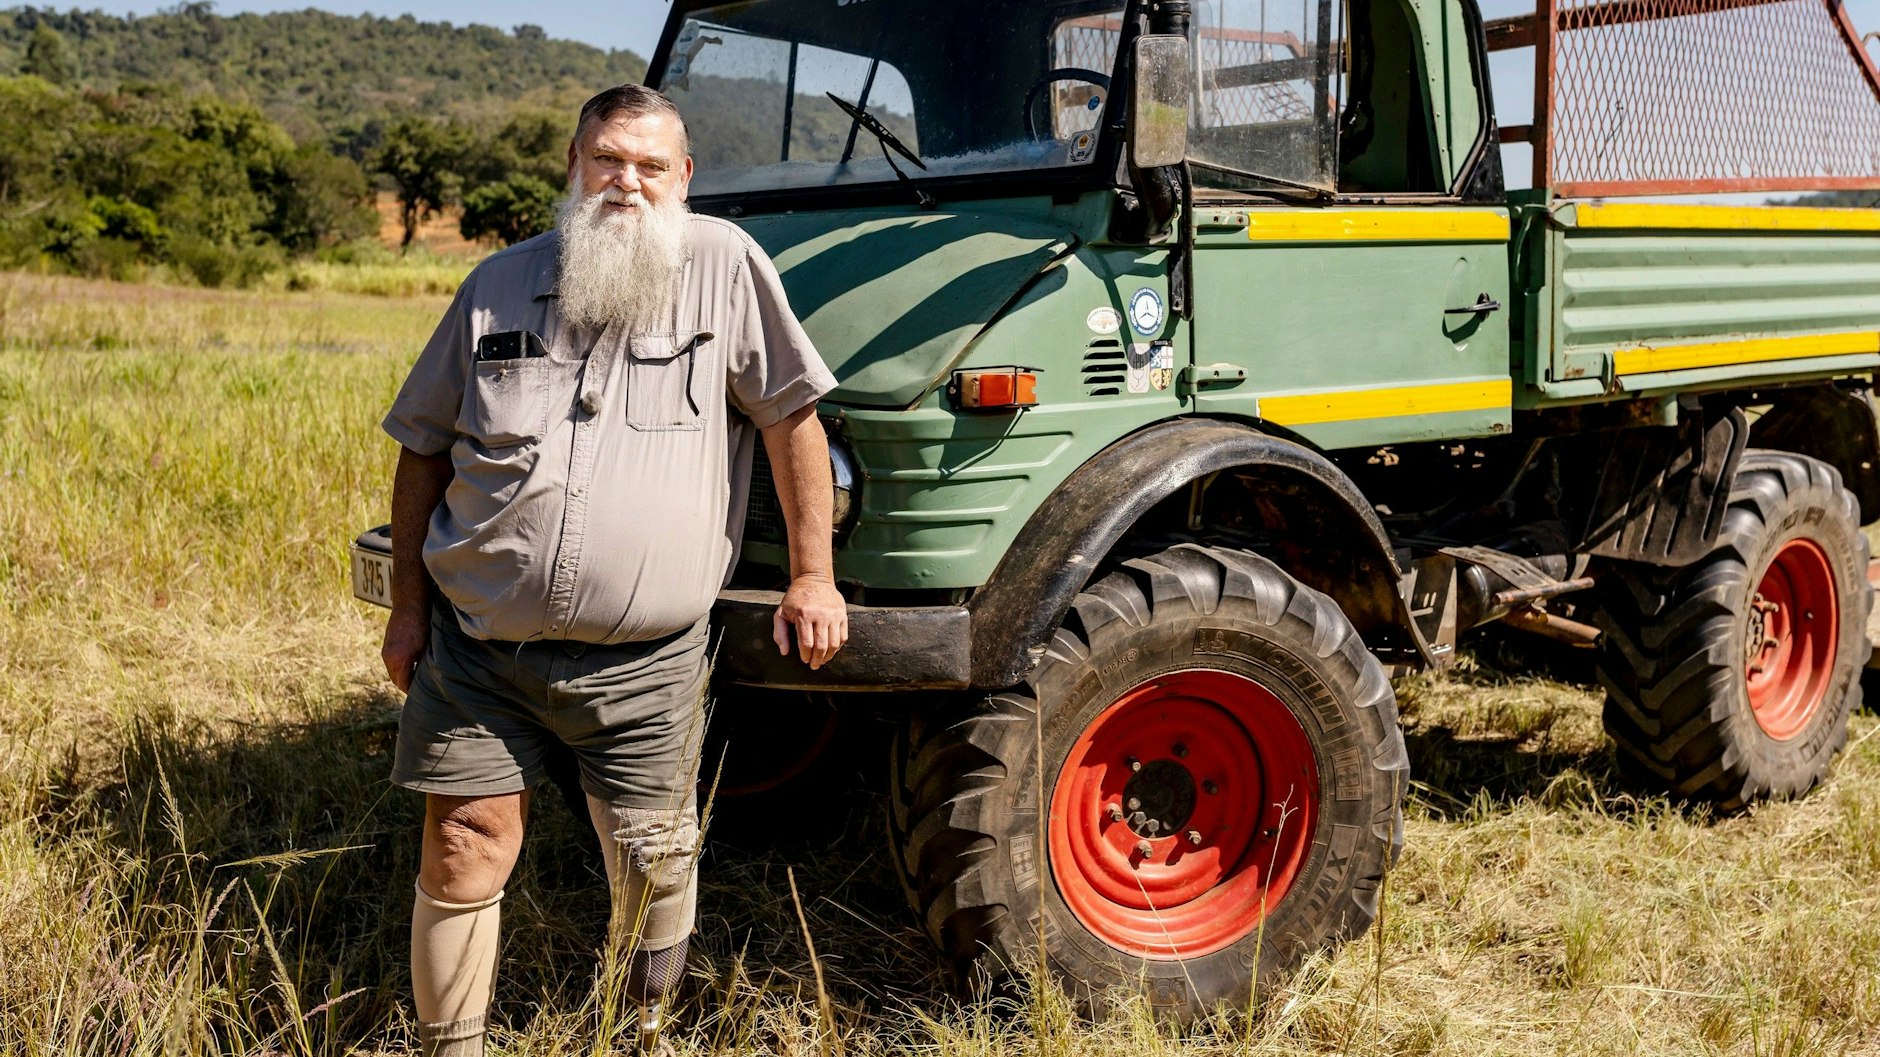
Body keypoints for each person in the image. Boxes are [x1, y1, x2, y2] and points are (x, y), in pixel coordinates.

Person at [378, 83, 848, 1057]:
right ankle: (449, 1046)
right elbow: (422, 446)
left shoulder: (724, 268)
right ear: (573, 166)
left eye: (647, 165)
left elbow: (790, 416)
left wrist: (813, 577)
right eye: (605, 159)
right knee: (463, 843)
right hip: (480, 651)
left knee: (650, 862)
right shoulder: (494, 287)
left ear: (681, 178)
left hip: (646, 662)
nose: (623, 182)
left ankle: (637, 1034)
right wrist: (406, 609)